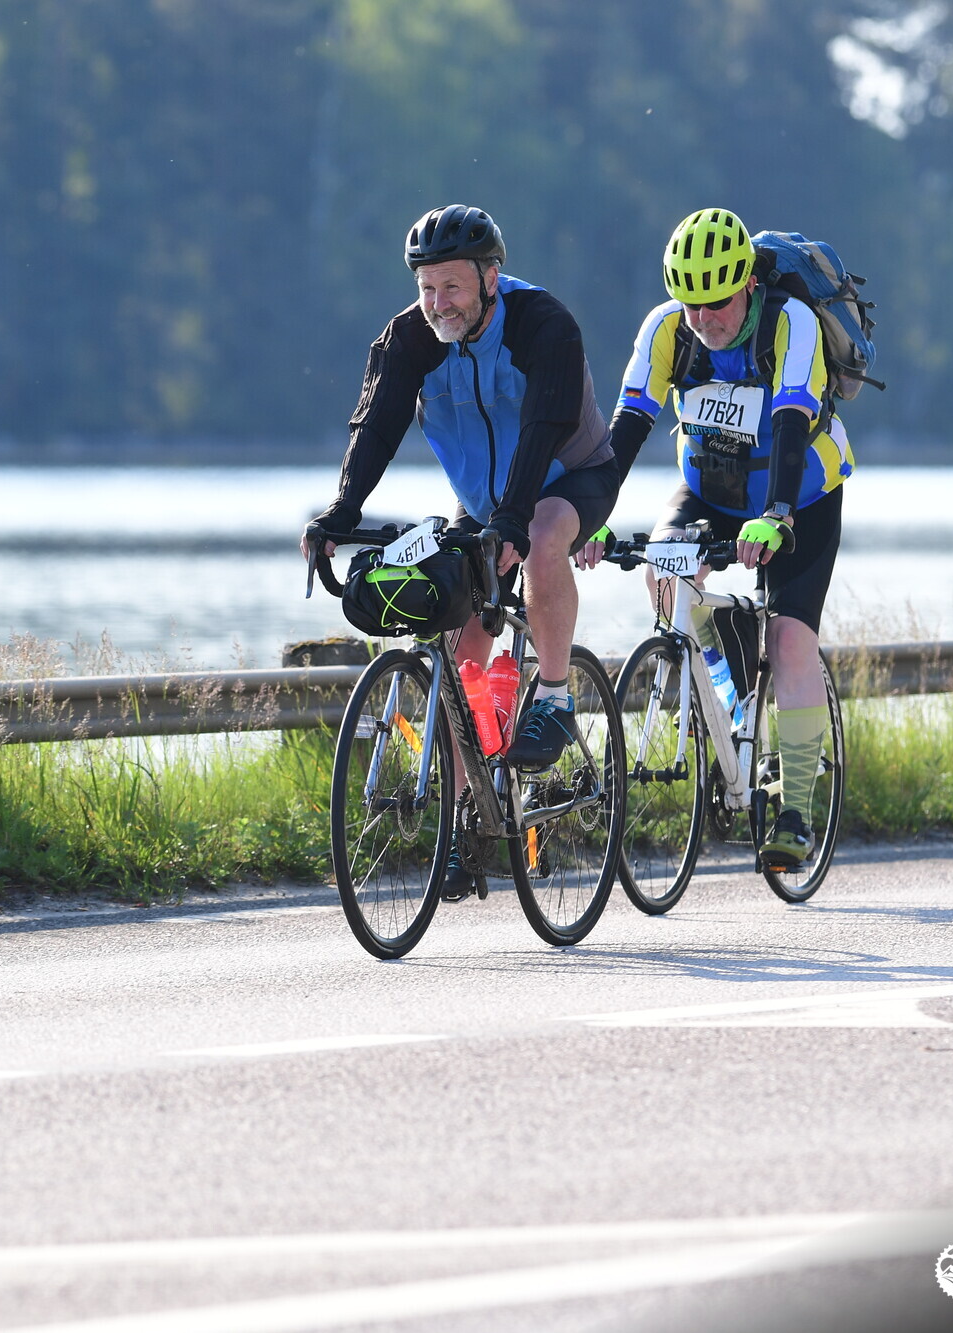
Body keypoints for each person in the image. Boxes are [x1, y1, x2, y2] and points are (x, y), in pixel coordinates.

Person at [307, 204, 620, 894]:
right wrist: (342, 511)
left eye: (452, 286)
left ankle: (556, 697)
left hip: (570, 476)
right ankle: (462, 823)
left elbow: (541, 429)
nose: (438, 303)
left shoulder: (544, 326)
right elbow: (376, 424)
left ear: (490, 278)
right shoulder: (410, 338)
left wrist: (512, 522)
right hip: (483, 500)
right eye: (427, 288)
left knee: (542, 537)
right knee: (458, 649)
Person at [593, 207, 856, 872]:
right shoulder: (666, 330)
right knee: (663, 573)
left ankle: (795, 806)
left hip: (800, 491)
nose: (704, 320)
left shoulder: (789, 324)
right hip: (709, 489)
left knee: (790, 640)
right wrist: (588, 513)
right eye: (692, 306)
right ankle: (726, 690)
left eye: (718, 304)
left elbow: (791, 422)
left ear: (748, 285)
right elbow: (628, 427)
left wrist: (778, 515)